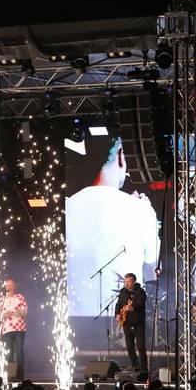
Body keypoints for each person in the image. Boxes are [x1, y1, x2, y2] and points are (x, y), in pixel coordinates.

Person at [66, 135, 160, 317]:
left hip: (72, 322)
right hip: (123, 318)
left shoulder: (68, 206)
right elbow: (151, 268)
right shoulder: (140, 209)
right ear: (120, 155)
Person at [0, 278, 28, 378]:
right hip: (7, 329)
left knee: (19, 350)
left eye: (11, 285)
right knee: (8, 351)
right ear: (5, 287)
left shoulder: (20, 297)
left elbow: (25, 311)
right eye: (7, 285)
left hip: (19, 328)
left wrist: (17, 312)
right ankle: (9, 373)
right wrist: (4, 314)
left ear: (15, 286)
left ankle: (19, 374)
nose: (9, 287)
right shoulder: (2, 299)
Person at [115, 273, 147, 372]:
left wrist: (132, 307)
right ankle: (135, 366)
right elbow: (118, 304)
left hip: (138, 322)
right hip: (126, 322)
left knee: (141, 345)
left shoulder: (140, 291)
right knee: (130, 346)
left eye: (128, 281)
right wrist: (117, 314)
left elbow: (140, 303)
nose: (126, 284)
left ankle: (144, 367)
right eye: (125, 282)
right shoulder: (123, 292)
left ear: (133, 281)